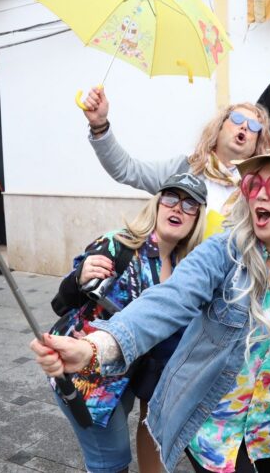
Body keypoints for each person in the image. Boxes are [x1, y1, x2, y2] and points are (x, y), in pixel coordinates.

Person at [31, 138, 270, 473]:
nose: (260, 193)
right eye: (253, 183)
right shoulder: (224, 252)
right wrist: (94, 348)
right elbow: (168, 300)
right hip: (215, 437)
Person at [49, 173, 207, 473]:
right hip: (87, 378)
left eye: (189, 204)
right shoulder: (118, 244)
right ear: (158, 204)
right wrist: (79, 276)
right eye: (171, 198)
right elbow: (63, 300)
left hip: (129, 377)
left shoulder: (186, 265)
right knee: (111, 462)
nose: (178, 208)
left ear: (197, 217)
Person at [81, 88, 270, 215]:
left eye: (254, 126)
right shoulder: (184, 168)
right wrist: (99, 127)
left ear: (257, 143)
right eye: (237, 119)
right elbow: (127, 170)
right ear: (219, 126)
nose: (245, 127)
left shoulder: (259, 186)